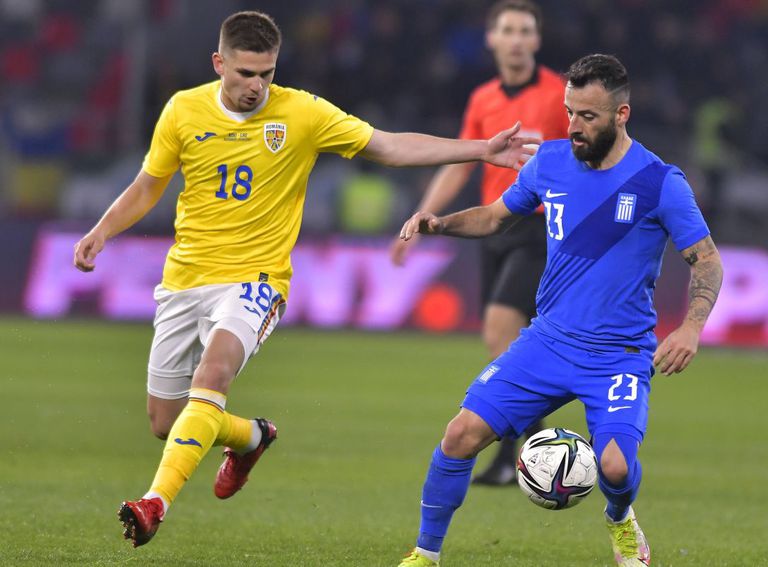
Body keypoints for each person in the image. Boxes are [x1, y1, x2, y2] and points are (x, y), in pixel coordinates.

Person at [72, 11, 539, 548]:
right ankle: (251, 438)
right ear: (219, 63)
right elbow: (148, 184)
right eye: (245, 73)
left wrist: (481, 149)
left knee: (214, 374)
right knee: (166, 422)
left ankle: (154, 502)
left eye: (267, 74)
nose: (256, 86)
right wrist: (103, 230)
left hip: (257, 280)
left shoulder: (302, 113)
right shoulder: (182, 110)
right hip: (185, 280)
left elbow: (387, 145)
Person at [395, 54, 723, 567]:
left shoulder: (661, 182)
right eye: (570, 112)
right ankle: (424, 554)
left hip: (618, 354)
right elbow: (494, 218)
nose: (574, 126)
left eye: (588, 117)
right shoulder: (547, 162)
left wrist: (692, 328)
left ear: (622, 115)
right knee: (459, 435)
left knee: (614, 466)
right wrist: (440, 224)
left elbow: (706, 261)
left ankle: (619, 518)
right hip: (547, 341)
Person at [390, 0, 569, 487]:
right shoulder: (484, 99)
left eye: (524, 30)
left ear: (536, 39)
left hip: (540, 228)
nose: (515, 39)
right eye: (506, 30)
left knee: (500, 332)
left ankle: (533, 452)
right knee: (506, 347)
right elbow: (462, 162)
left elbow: (589, 155)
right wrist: (423, 217)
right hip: (494, 230)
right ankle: (532, 453)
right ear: (491, 39)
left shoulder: (558, 96)